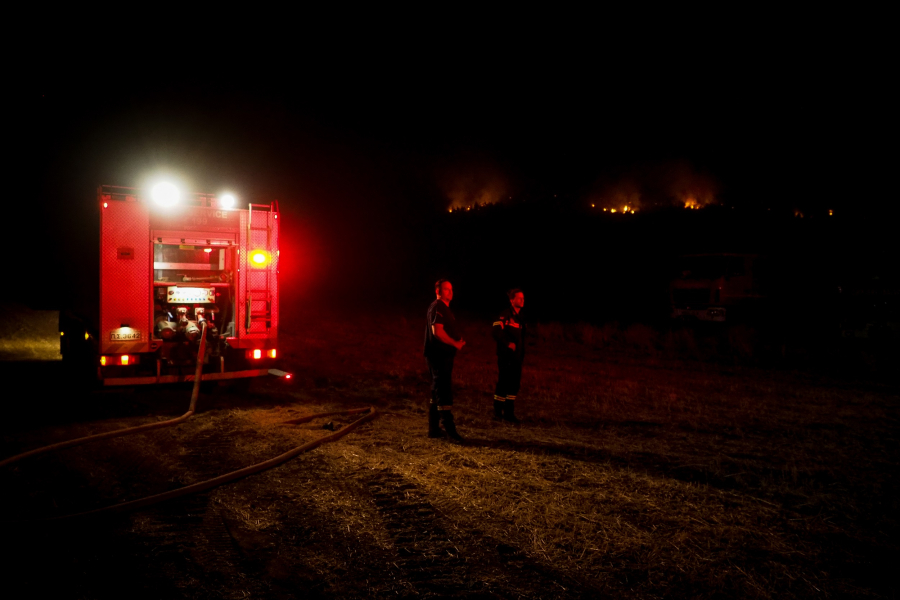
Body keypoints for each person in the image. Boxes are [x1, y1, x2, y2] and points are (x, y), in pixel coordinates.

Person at [424, 279, 466, 442]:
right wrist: (455, 342)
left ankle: (433, 429)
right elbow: (437, 332)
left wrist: (458, 339)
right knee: (443, 391)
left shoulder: (444, 308)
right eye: (446, 289)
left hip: (444, 355)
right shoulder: (438, 307)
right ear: (438, 291)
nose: (450, 292)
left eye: (451, 289)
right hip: (438, 356)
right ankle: (450, 431)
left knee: (436, 391)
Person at [492, 288, 526, 423]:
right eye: (519, 298)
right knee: (503, 383)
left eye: (523, 298)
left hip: (517, 358)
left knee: (514, 384)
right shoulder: (505, 315)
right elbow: (495, 331)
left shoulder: (521, 318)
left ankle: (509, 413)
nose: (522, 300)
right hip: (506, 356)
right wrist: (507, 344)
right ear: (512, 300)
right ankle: (497, 412)